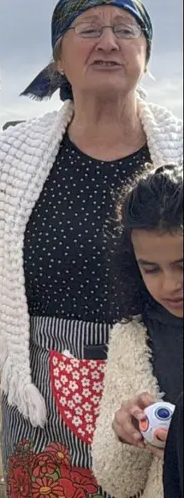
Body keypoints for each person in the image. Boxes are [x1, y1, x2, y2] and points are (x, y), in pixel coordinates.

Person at [0, 0, 182, 497]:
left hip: (164, 391)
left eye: (125, 30)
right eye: (89, 30)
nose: (108, 43)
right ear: (58, 60)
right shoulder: (12, 158)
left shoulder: (179, 156)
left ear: (146, 52)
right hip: (44, 402)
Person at [93, 164, 182, 498]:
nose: (171, 285)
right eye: (151, 269)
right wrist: (123, 434)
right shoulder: (132, 337)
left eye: (182, 265)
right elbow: (116, 482)